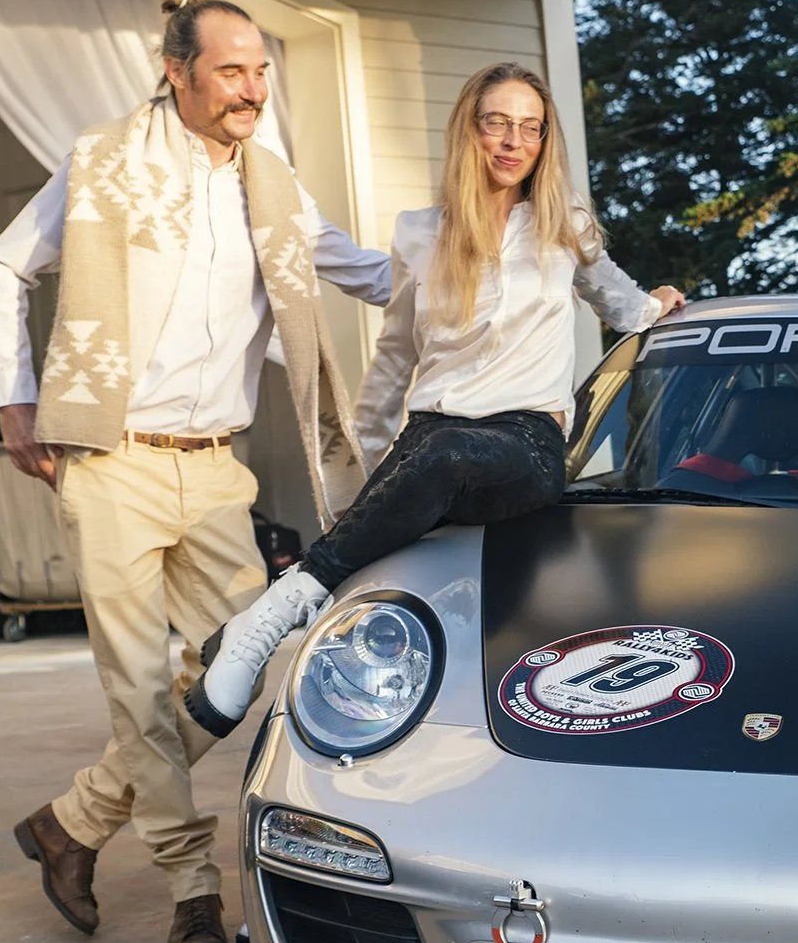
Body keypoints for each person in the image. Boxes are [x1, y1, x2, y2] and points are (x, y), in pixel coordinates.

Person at [0, 0, 392, 943]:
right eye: (232, 71)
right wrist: (13, 395)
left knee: (245, 661)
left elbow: (367, 271)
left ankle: (74, 822)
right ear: (178, 73)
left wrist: (502, 263)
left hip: (213, 469)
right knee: (137, 688)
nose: (253, 89)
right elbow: (3, 266)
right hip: (111, 460)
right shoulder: (105, 162)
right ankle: (191, 890)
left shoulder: (273, 186)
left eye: (261, 71)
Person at [187, 63, 684, 732]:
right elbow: (395, 358)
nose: (513, 141)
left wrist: (658, 306)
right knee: (397, 523)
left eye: (530, 128)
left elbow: (623, 306)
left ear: (545, 141)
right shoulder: (420, 233)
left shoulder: (565, 225)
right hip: (428, 438)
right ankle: (271, 635)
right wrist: (361, 475)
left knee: (446, 454)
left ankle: (265, 620)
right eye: (497, 123)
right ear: (468, 130)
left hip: (525, 444)